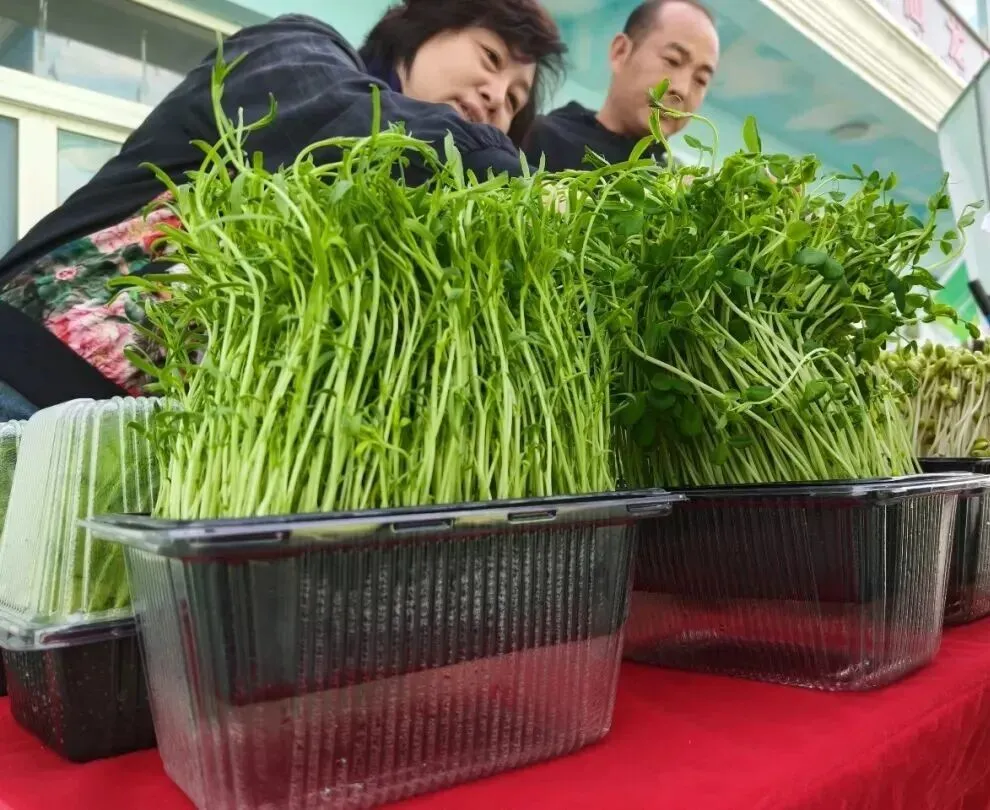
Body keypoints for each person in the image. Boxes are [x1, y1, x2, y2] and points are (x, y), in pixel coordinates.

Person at [0, 3, 565, 419]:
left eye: (515, 101)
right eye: (490, 58)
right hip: (28, 387)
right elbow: (352, 130)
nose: (496, 96)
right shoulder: (297, 50)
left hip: (146, 452)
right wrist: (518, 183)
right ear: (420, 29)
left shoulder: (408, 230)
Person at [524, 0, 718, 172]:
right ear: (621, 51)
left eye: (700, 80)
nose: (682, 89)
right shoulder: (538, 140)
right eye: (672, 60)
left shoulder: (680, 189)